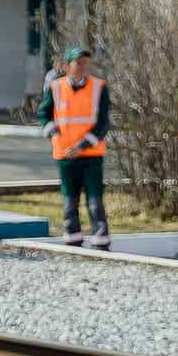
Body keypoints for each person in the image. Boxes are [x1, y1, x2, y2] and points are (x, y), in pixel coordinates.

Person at [39, 46, 111, 249]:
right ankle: (72, 239)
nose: (82, 67)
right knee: (70, 200)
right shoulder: (55, 87)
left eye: (85, 63)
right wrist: (53, 132)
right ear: (66, 66)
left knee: (95, 199)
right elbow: (43, 114)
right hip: (65, 154)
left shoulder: (99, 87)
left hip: (91, 154)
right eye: (78, 63)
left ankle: (101, 241)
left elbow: (103, 123)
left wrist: (82, 145)